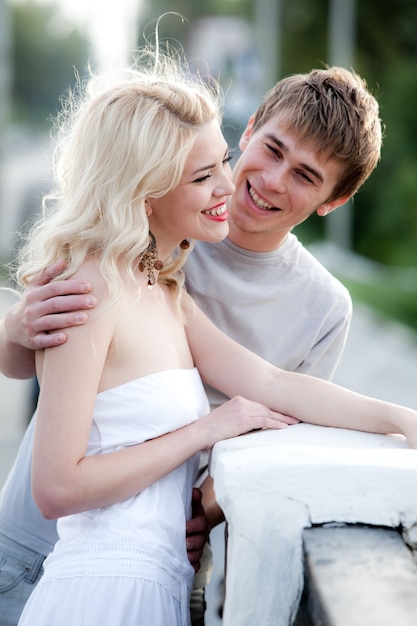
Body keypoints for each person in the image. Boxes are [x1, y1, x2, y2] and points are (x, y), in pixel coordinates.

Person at [0, 66, 387, 625]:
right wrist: (15, 327)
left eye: (304, 175)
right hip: (41, 544)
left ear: (335, 201)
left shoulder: (302, 302)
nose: (269, 181)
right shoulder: (142, 239)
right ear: (249, 130)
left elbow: (275, 411)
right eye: (270, 149)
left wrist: (206, 503)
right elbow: (31, 367)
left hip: (160, 557)